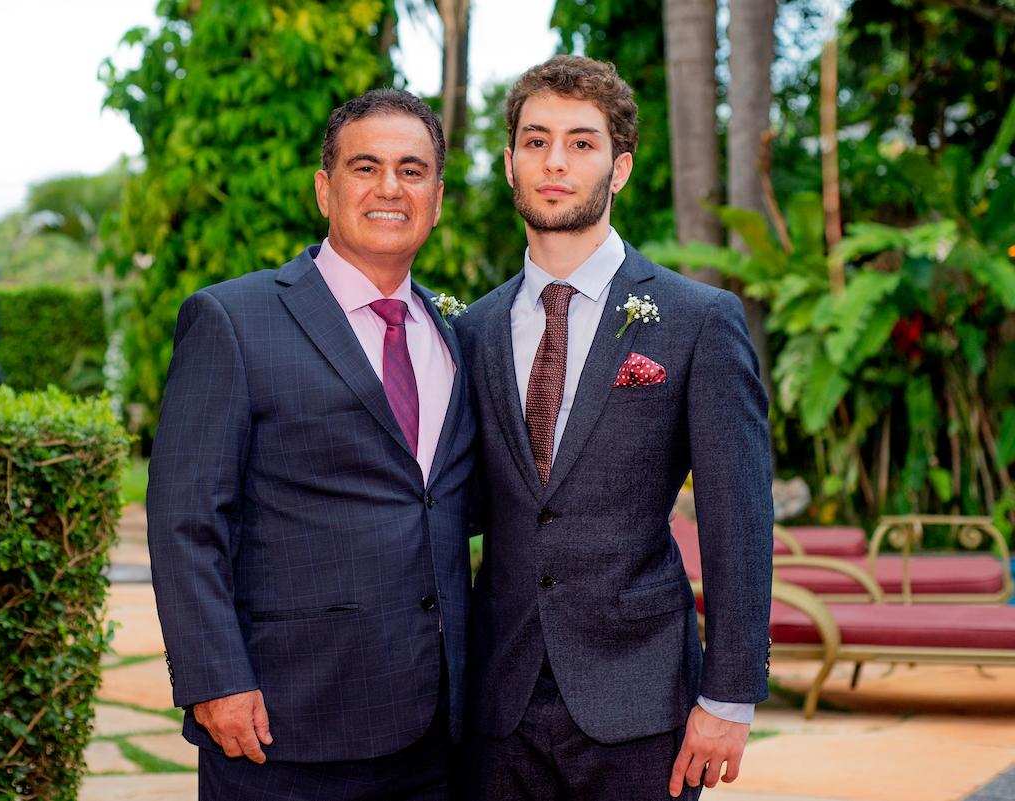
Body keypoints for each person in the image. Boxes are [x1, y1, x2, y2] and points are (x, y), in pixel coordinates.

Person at [454, 55, 774, 800]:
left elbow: (739, 518)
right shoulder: (471, 331)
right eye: (535, 142)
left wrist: (728, 697)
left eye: (581, 142)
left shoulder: (698, 321)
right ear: (509, 164)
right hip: (496, 707)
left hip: (643, 704)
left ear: (619, 168)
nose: (555, 162)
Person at [145, 89, 475, 800]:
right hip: (282, 727)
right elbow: (185, 519)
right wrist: (216, 679)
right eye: (366, 166)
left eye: (413, 170)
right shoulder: (234, 319)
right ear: (326, 189)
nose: (391, 186)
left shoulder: (451, 336)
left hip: (434, 733)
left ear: (438, 198)